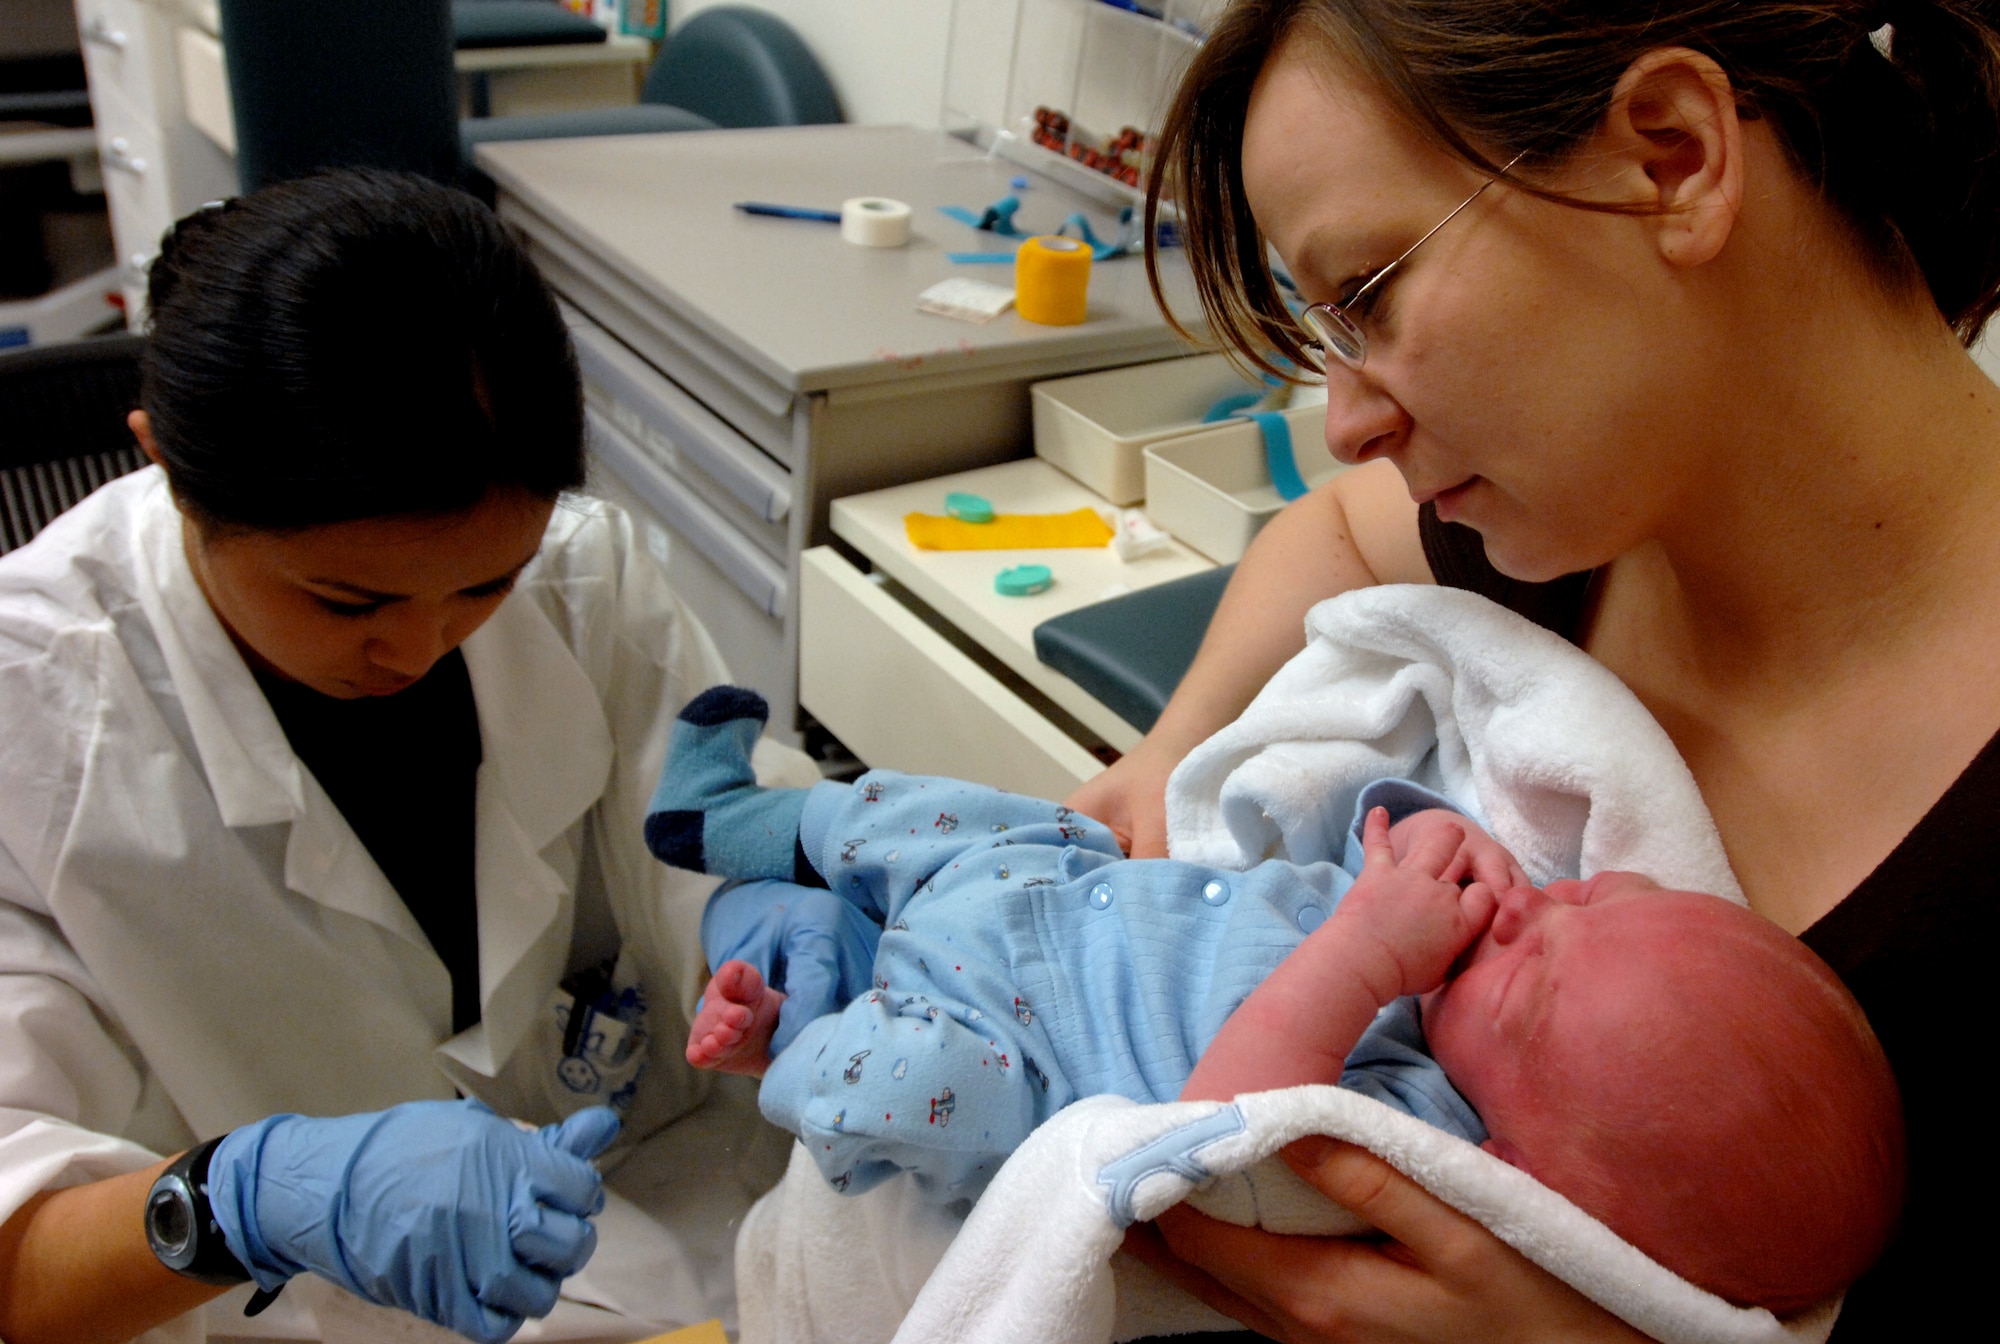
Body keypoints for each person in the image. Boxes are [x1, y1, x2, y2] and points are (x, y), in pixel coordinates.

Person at [1056, 1, 1999, 1338]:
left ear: (1671, 158)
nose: (1348, 422)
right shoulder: (1560, 525)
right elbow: (1328, 533)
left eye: (1371, 296)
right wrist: (1171, 751)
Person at [0, 170, 803, 1343]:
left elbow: (702, 818)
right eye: (343, 600)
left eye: (485, 583)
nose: (419, 647)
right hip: (277, 1313)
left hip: (674, 1240)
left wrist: (771, 912)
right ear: (167, 465)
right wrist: (243, 1206)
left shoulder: (588, 579)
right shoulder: (31, 715)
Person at [650, 687, 1903, 1315]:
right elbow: (1344, 843)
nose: (1525, 914)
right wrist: (1408, 862)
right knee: (933, 810)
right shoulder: (1465, 968)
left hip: (1001, 1046)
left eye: (1527, 976)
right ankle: (737, 818)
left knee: (913, 1096)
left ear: (1541, 1177)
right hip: (1049, 889)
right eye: (1593, 901)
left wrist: (1368, 951)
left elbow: (1216, 1127)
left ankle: (787, 1049)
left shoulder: (1415, 1135)